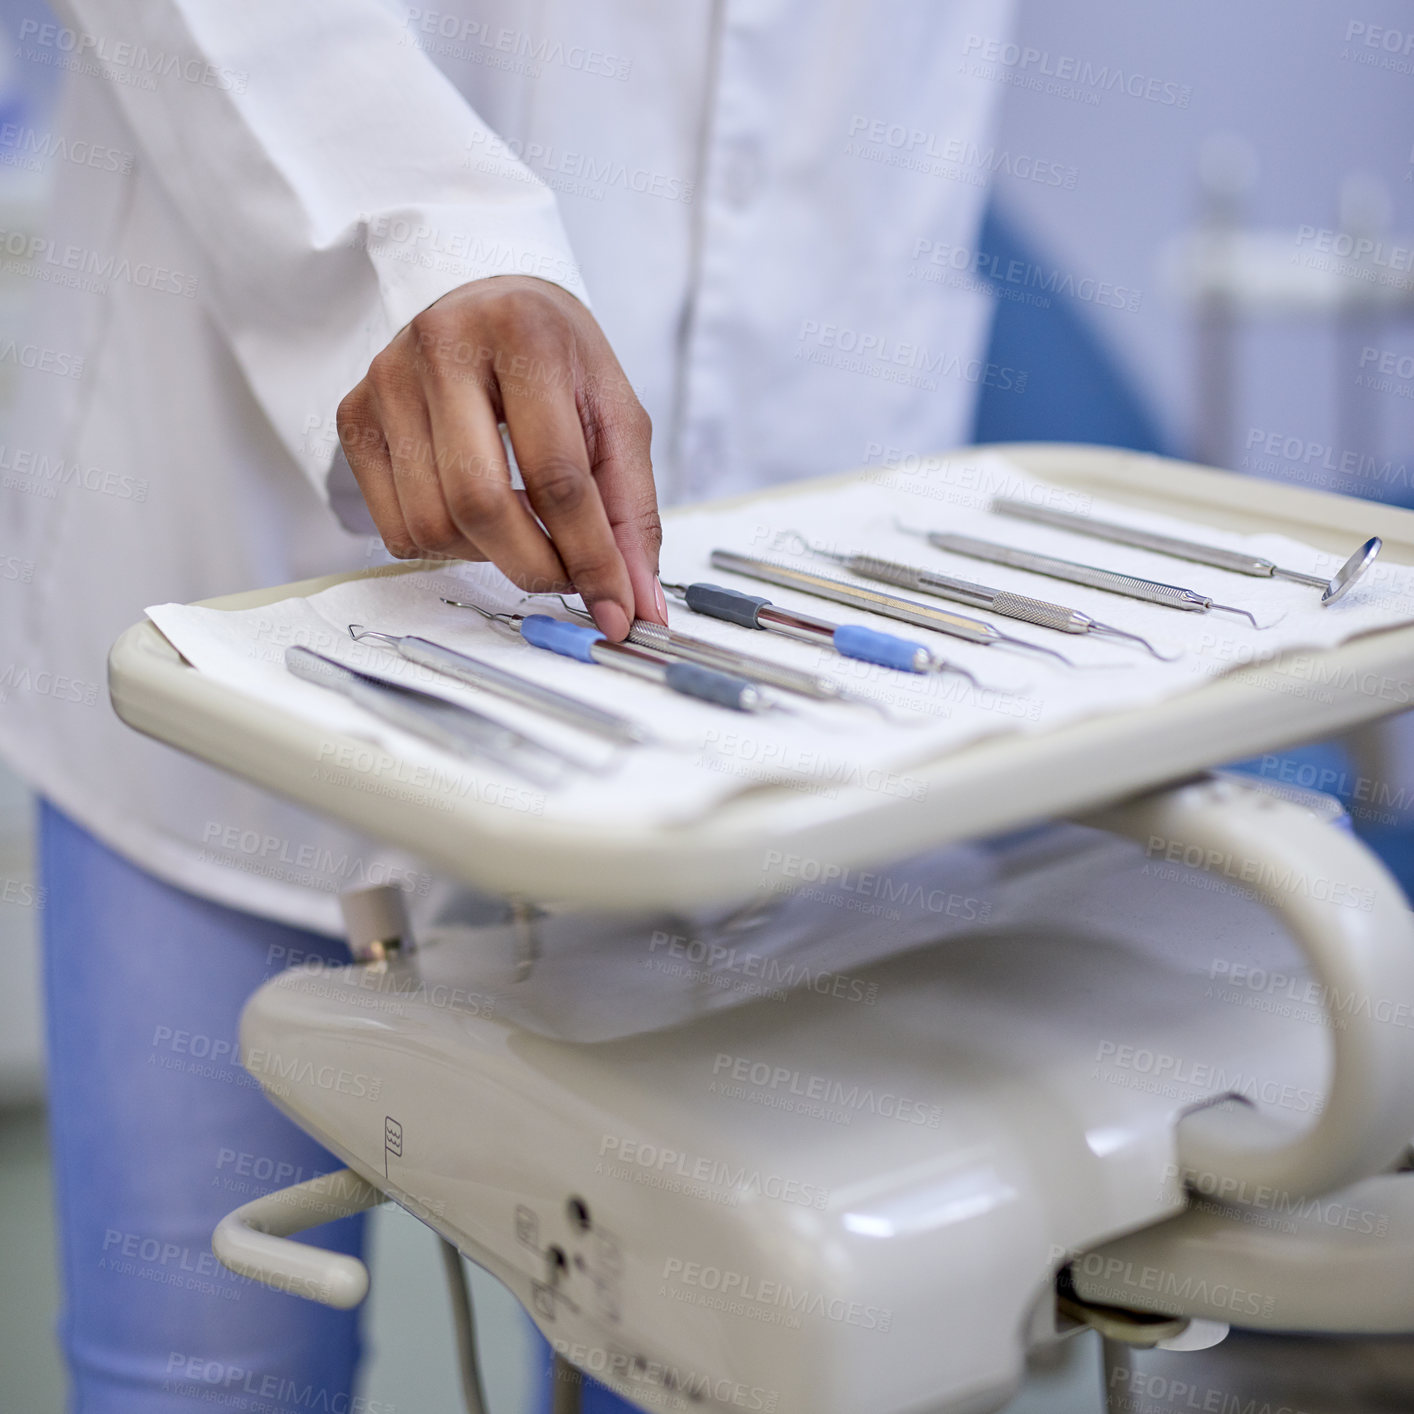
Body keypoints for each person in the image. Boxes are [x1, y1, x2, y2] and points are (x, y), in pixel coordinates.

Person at [0, 1, 1015, 1408]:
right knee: (196, 1375)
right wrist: (421, 248)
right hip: (226, 533)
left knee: (714, 1360)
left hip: (788, 544)